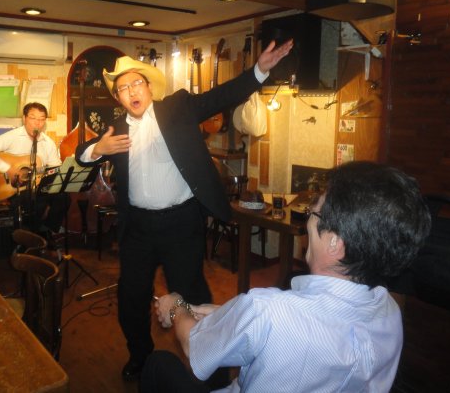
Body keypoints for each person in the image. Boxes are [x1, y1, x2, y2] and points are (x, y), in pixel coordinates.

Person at [75, 40, 293, 381]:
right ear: (117, 98)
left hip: (181, 223)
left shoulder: (177, 108)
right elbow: (81, 154)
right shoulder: (115, 128)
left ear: (148, 87)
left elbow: (220, 97)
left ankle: (209, 363)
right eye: (123, 89)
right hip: (138, 228)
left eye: (136, 83)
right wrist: (98, 148)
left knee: (191, 294)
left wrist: (259, 71)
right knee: (131, 296)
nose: (131, 91)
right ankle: (140, 357)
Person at [144, 161, 431, 393]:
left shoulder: (267, 311)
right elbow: (289, 328)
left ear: (335, 243)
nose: (308, 220)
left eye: (314, 213)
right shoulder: (388, 310)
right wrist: (223, 314)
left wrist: (176, 305)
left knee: (158, 365)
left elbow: (195, 347)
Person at [0, 102, 69, 234]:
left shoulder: (48, 143)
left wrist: (63, 169)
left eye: (41, 119)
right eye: (33, 118)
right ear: (24, 118)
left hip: (39, 189)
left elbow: (55, 168)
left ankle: (49, 231)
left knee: (63, 197)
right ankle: (31, 237)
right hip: (15, 190)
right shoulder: (12, 136)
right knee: (33, 204)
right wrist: (7, 169)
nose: (37, 123)